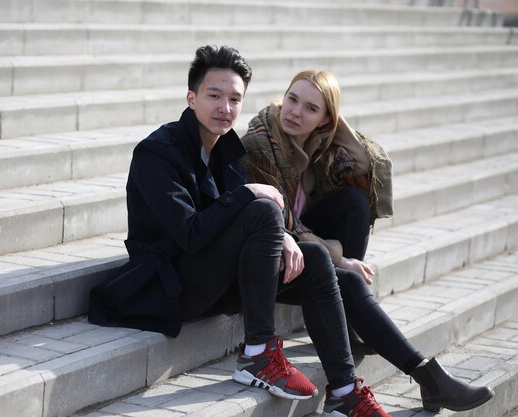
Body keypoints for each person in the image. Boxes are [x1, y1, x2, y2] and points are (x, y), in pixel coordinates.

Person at [88, 45, 395, 417]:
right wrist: (249, 195)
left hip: (215, 278)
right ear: (191, 97)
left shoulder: (226, 148)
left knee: (313, 256)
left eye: (235, 99)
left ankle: (345, 393)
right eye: (214, 96)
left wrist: (281, 235)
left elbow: (234, 220)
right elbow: (190, 233)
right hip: (171, 285)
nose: (225, 107)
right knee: (262, 207)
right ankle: (258, 354)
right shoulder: (157, 153)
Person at [241, 68, 495, 413]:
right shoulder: (259, 144)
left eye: (311, 108)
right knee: (344, 277)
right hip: (271, 259)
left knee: (354, 201)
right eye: (292, 99)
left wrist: (333, 122)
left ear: (325, 120)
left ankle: (425, 376)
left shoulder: (316, 142)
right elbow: (284, 224)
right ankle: (428, 378)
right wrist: (341, 259)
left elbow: (365, 163)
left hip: (303, 249)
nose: (295, 112)